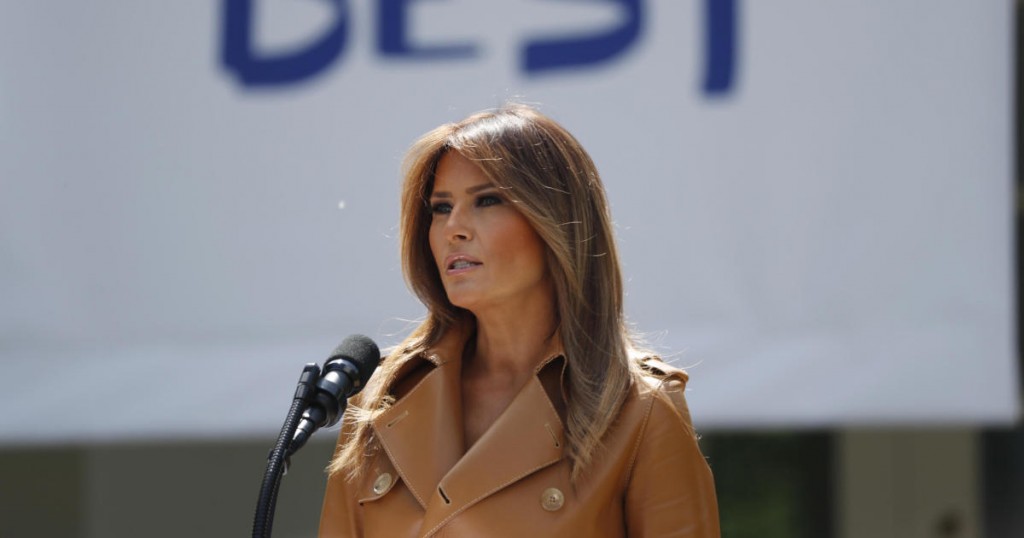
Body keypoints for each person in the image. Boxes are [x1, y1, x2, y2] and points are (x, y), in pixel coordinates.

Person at [319, 104, 720, 537]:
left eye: (487, 200)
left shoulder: (641, 410)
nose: (454, 228)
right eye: (441, 207)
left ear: (556, 222)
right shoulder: (380, 399)